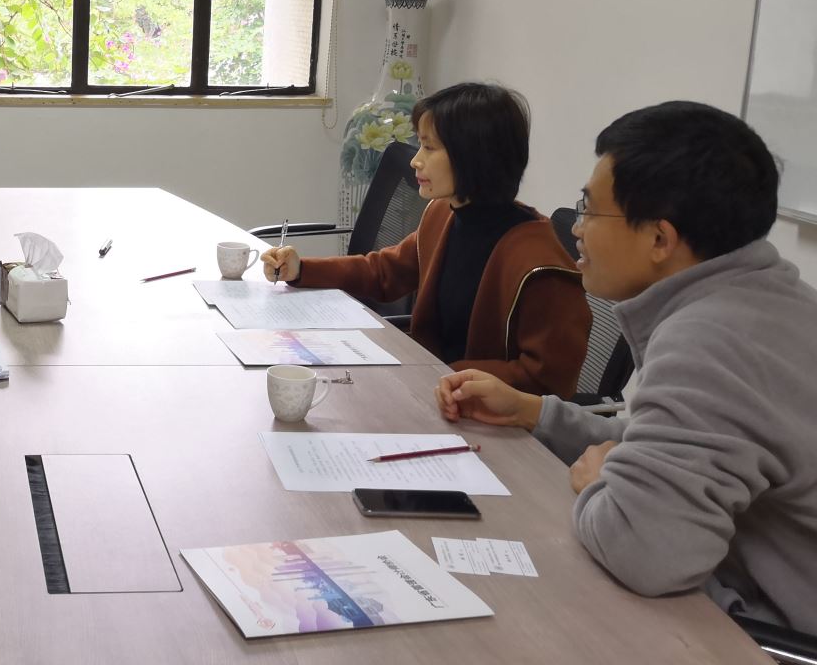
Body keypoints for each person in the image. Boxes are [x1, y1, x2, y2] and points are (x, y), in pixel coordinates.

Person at [436, 102, 817, 634]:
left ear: (660, 239)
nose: (577, 229)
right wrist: (534, 413)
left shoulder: (710, 341)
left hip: (779, 655)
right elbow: (663, 442)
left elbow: (644, 550)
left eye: (591, 211)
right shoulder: (768, 299)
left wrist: (603, 481)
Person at [263, 81, 589, 396]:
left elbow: (547, 382)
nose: (415, 160)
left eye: (429, 147)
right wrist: (302, 269)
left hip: (482, 413)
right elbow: (385, 272)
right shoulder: (444, 213)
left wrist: (446, 375)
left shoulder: (540, 265)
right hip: (431, 390)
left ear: (474, 156)